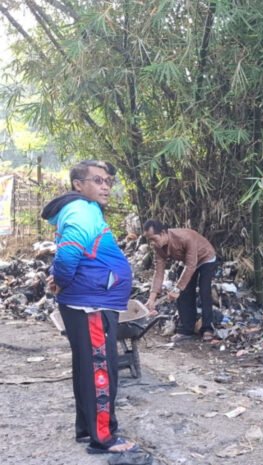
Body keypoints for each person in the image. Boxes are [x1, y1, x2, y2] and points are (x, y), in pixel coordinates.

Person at [41, 160, 139, 454]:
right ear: (78, 185)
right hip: (91, 305)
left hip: (90, 301)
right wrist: (60, 280)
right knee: (100, 368)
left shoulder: (84, 209)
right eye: (98, 180)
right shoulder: (82, 211)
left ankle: (87, 429)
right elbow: (68, 255)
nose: (105, 186)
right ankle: (103, 438)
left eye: (108, 181)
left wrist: (59, 279)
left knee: (88, 366)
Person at [143, 220, 218, 342]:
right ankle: (186, 330)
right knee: (184, 293)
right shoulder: (158, 247)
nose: (153, 243)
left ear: (163, 233)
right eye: (150, 240)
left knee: (204, 291)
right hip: (187, 262)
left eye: (154, 239)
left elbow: (191, 266)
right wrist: (152, 298)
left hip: (205, 258)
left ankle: (207, 328)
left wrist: (177, 288)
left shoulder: (185, 237)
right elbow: (159, 272)